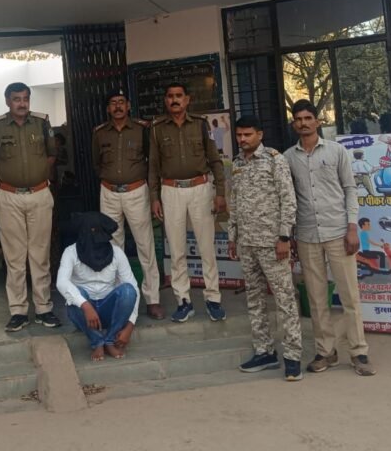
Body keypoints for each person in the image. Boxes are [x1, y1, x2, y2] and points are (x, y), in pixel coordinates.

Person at [284, 99, 376, 377]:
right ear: (294, 124)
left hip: (338, 232)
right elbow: (288, 198)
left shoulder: (336, 151)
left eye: (308, 118)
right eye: (298, 119)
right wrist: (290, 235)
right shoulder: (288, 158)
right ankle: (326, 352)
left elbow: (350, 189)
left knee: (349, 296)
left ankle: (358, 352)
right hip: (307, 234)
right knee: (316, 298)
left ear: (317, 121)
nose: (303, 123)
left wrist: (352, 227)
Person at [227, 115, 303, 381]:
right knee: (255, 299)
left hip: (272, 243)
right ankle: (264, 351)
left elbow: (287, 199)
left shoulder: (274, 160)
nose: (242, 139)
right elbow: (234, 201)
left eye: (247, 134)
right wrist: (233, 236)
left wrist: (284, 237)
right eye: (239, 135)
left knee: (284, 299)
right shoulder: (237, 163)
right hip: (247, 243)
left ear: (259, 134)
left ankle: (292, 356)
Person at [0, 82, 60, 332]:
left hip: (39, 194)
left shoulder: (41, 122)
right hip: (9, 197)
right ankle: (18, 311)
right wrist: (5, 182)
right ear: (7, 101)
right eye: (16, 99)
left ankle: (44, 308)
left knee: (40, 254)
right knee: (14, 257)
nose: (22, 103)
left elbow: (51, 155)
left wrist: (38, 175)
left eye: (25, 98)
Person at [148, 83, 226, 323]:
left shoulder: (201, 124)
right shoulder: (157, 128)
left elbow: (215, 159)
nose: (175, 100)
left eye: (179, 96)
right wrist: (154, 197)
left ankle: (213, 299)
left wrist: (220, 192)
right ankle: (183, 300)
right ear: (165, 100)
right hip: (171, 191)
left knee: (206, 247)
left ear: (187, 99)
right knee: (177, 250)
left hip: (200, 188)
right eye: (170, 96)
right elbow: (153, 166)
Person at [92, 89, 164, 321]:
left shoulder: (142, 129)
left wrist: (153, 193)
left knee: (145, 244)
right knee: (113, 247)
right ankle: (119, 297)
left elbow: (152, 163)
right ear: (108, 108)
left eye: (122, 102)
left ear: (129, 106)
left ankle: (152, 299)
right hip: (109, 192)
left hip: (136, 192)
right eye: (113, 103)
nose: (118, 106)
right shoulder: (100, 133)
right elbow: (96, 164)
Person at [57, 212, 140, 362]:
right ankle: (97, 342)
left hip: (109, 311)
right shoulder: (70, 252)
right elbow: (61, 282)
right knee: (74, 297)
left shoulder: (117, 253)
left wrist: (130, 326)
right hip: (84, 315)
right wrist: (86, 305)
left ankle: (109, 340)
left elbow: (133, 286)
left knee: (128, 290)